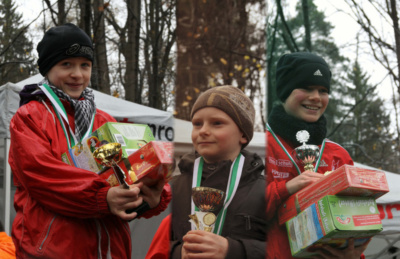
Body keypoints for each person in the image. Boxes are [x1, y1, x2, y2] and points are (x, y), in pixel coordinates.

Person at [8, 23, 171, 258]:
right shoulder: (30, 117)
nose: (77, 74)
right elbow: (44, 177)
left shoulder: (105, 120)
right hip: (54, 252)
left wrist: (150, 196)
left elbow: (127, 174)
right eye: (67, 64)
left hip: (109, 250)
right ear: (47, 68)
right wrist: (102, 197)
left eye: (85, 65)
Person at [265, 52, 370, 259]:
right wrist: (285, 189)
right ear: (285, 91)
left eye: (323, 90)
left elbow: (354, 216)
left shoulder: (338, 155)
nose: (316, 97)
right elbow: (241, 210)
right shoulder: (260, 146)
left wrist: (354, 255)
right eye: (306, 87)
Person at [170, 85, 267, 259]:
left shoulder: (266, 191)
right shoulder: (173, 187)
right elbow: (155, 243)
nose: (203, 131)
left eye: (217, 123)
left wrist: (233, 251)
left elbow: (287, 248)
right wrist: (178, 252)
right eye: (197, 124)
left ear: (243, 134)